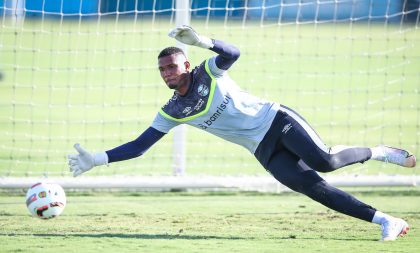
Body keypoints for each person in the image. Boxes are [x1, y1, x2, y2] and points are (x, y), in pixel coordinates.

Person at [68, 26, 416, 241]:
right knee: (315, 189)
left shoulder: (207, 70)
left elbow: (234, 53)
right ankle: (387, 220)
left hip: (277, 120)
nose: (167, 73)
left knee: (324, 161)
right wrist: (98, 159)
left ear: (186, 65)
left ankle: (380, 151)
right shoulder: (172, 110)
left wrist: (202, 41)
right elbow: (141, 145)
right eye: (161, 70)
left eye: (172, 66)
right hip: (261, 149)